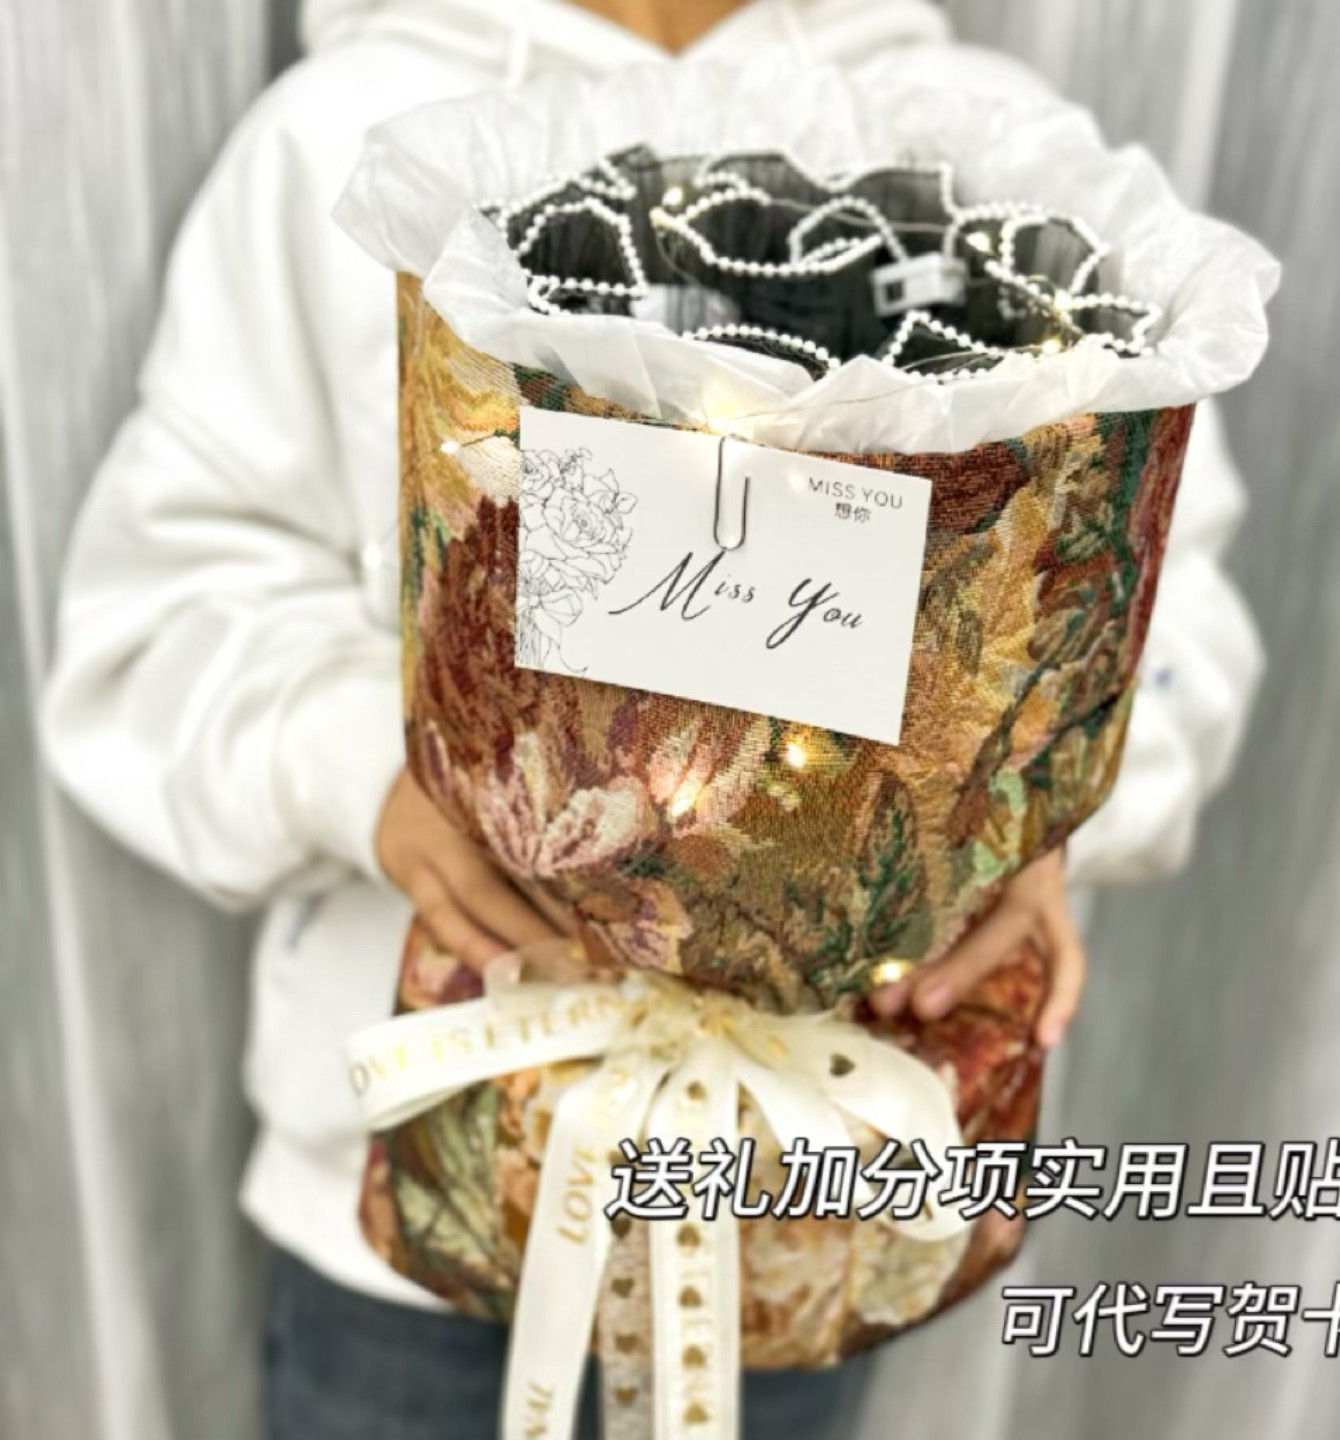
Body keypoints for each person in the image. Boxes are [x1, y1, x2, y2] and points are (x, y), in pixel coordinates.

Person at [41, 1, 1263, 1436]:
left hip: (810, 1193)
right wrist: (366, 773)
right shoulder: (344, 142)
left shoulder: (994, 172)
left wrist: (1034, 810)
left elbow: (1172, 614)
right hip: (421, 1194)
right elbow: (165, 604)